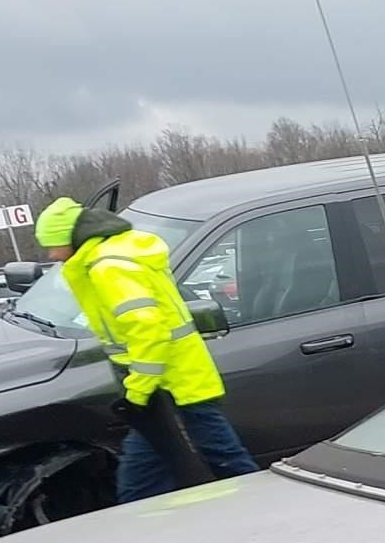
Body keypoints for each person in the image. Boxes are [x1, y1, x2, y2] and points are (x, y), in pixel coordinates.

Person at [33, 196, 260, 502]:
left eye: (52, 244)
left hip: (170, 389)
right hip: (176, 383)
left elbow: (148, 330)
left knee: (215, 463)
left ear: (70, 238)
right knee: (167, 473)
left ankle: (263, 509)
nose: (50, 253)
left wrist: (137, 394)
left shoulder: (106, 268)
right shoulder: (114, 257)